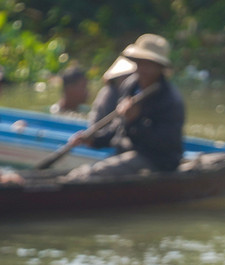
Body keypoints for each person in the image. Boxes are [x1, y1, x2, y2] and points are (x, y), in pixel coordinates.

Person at [64, 34, 185, 180]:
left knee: (90, 175)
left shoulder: (169, 100)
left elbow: (165, 144)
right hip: (127, 154)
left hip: (156, 160)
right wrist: (93, 140)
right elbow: (118, 129)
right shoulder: (131, 85)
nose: (143, 69)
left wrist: (135, 120)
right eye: (141, 63)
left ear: (160, 68)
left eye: (150, 64)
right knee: (79, 174)